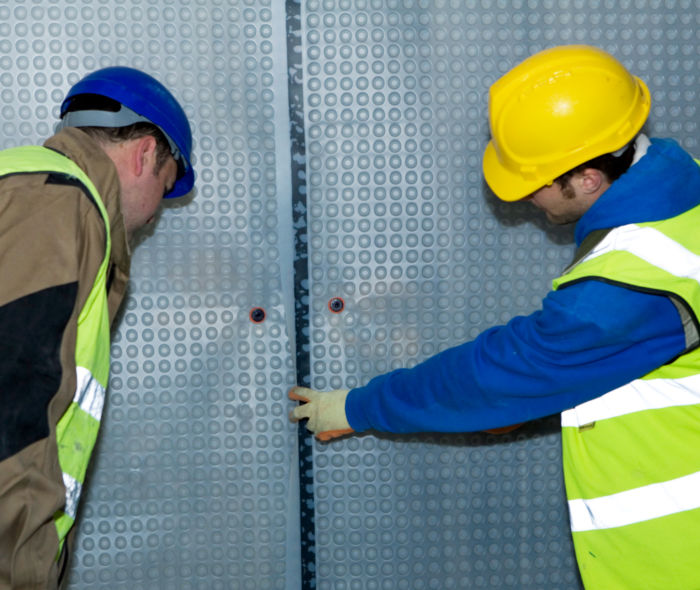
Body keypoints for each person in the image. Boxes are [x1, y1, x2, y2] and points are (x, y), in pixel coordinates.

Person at [289, 44, 700, 589]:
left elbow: (494, 379)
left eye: (537, 180)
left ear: (589, 177)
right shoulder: (684, 189)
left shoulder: (624, 287)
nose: (527, 196)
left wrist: (359, 405)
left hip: (673, 559)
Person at [0, 67, 194, 589]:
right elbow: (12, 406)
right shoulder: (57, 205)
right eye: (167, 186)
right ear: (146, 153)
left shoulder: (30, 184)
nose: (153, 217)